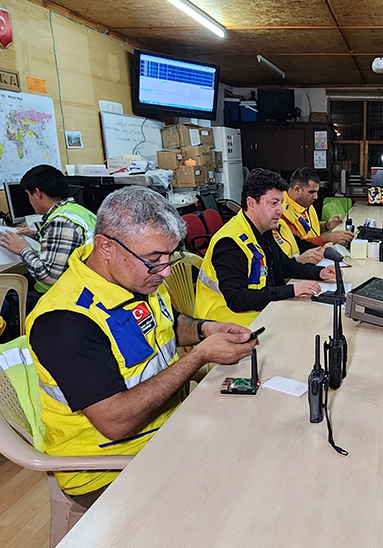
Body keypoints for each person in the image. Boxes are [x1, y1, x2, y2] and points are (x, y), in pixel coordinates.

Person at [27, 186, 258, 506]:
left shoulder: (139, 279)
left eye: (170, 256)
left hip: (167, 432)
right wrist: (200, 356)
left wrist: (205, 329)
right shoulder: (65, 320)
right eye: (154, 259)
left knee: (258, 444)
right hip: (107, 468)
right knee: (239, 491)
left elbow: (167, 324)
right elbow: (115, 422)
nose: (166, 271)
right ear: (105, 247)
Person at [196, 169, 336, 327]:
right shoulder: (229, 242)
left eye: (281, 203)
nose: (280, 210)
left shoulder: (263, 229)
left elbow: (283, 265)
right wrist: (292, 290)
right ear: (251, 204)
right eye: (273, 203)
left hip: (258, 310)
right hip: (224, 321)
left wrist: (319, 272)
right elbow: (237, 300)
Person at [0, 165, 96, 303]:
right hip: (86, 286)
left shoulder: (61, 222)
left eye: (28, 195)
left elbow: (49, 277)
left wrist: (23, 249)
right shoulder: (76, 211)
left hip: (65, 296)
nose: (29, 201)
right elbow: (72, 245)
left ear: (37, 193)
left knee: (0, 299)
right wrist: (35, 235)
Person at [280, 167, 354, 247]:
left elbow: (308, 228)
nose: (316, 197)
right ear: (297, 189)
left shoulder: (305, 202)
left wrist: (326, 225)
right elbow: (298, 245)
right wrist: (326, 238)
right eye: (311, 192)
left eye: (316, 192)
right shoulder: (282, 213)